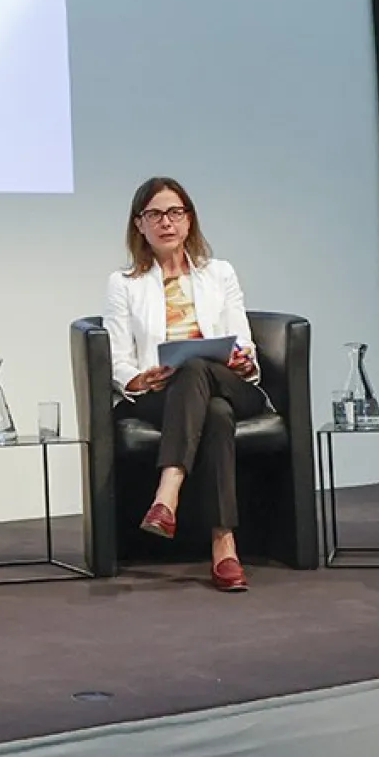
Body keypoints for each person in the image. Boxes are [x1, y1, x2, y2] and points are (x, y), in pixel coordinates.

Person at [103, 176, 266, 592]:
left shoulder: (219, 274)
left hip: (230, 382)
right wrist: (141, 377)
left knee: (197, 368)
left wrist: (242, 359)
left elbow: (242, 338)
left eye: (175, 212)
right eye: (154, 214)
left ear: (189, 220)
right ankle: (224, 547)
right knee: (212, 410)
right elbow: (117, 358)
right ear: (139, 225)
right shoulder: (124, 283)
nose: (166, 222)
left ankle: (167, 493)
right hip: (163, 393)